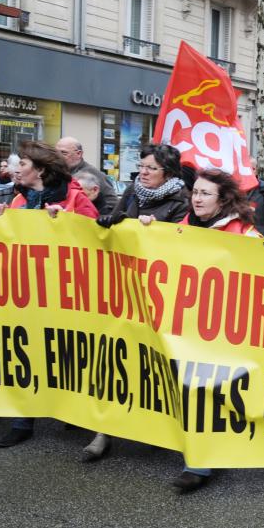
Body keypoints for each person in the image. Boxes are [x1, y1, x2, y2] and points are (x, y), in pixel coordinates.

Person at [155, 168, 262, 493]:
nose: (196, 198)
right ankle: (199, 457)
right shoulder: (182, 228)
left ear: (223, 199)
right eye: (195, 192)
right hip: (185, 324)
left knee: (208, 389)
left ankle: (200, 463)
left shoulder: (244, 233)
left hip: (225, 327)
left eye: (204, 194)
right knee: (190, 388)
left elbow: (263, 272)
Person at [86, 143, 189, 461]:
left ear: (168, 173)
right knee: (115, 358)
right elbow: (117, 222)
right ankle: (103, 432)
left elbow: (184, 245)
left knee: (156, 363)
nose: (142, 173)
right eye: (141, 167)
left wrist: (157, 233)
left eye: (150, 168)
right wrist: (108, 222)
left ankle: (159, 428)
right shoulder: (133, 191)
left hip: (160, 295)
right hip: (126, 289)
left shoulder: (182, 202)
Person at [0, 141, 97, 449]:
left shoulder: (75, 198)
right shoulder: (19, 200)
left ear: (40, 170)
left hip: (67, 298)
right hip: (28, 295)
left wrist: (67, 224)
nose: (16, 169)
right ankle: (22, 421)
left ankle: (74, 411)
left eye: (22, 164)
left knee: (67, 356)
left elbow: (98, 238)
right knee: (26, 356)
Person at [56, 136, 118, 214]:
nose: (58, 157)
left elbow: (112, 204)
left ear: (79, 154)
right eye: (56, 153)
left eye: (63, 153)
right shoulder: (57, 173)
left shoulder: (93, 174)